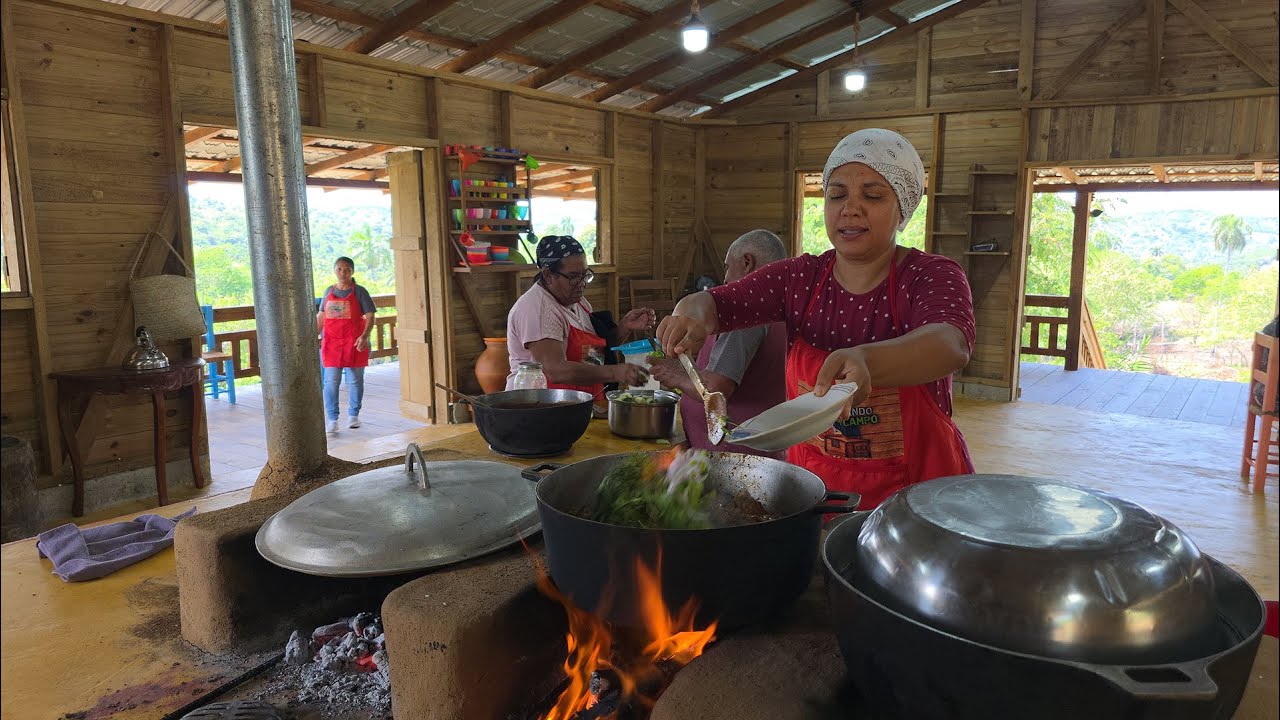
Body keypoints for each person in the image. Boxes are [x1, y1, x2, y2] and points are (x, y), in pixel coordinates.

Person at [657, 128, 977, 509]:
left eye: (872, 195)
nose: (850, 208)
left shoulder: (930, 275)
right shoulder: (797, 278)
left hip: (916, 502)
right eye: (836, 194)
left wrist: (869, 361)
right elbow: (718, 303)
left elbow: (950, 343)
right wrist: (691, 310)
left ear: (904, 206)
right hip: (818, 491)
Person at [648, 230, 789, 459]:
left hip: (733, 456)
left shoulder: (748, 309)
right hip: (764, 450)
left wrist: (675, 374)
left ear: (746, 262)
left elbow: (718, 388)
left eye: (726, 266)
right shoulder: (784, 304)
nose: (723, 279)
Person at [506, 235, 653, 404]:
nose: (582, 283)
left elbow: (593, 352)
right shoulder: (538, 309)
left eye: (585, 275)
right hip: (538, 407)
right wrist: (616, 372)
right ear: (548, 275)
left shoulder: (578, 303)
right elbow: (555, 370)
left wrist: (624, 327)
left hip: (575, 402)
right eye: (574, 277)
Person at [316, 256, 376, 434]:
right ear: (335, 270)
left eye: (347, 269)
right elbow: (321, 316)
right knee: (330, 382)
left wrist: (365, 337)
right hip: (332, 344)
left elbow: (371, 316)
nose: (343, 273)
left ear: (352, 272)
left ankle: (353, 415)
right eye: (339, 269)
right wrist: (313, 335)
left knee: (355, 381)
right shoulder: (328, 291)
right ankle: (332, 418)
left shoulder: (360, 292)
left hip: (355, 342)